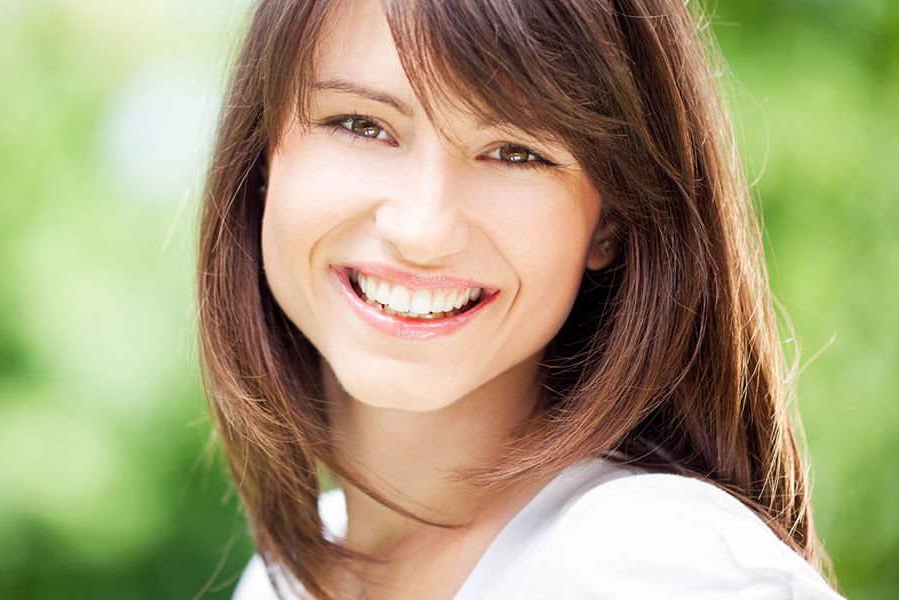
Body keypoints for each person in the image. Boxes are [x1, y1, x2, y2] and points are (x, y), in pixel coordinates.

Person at [196, 0, 843, 598]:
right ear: (260, 159)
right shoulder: (286, 579)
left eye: (515, 152)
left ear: (612, 220)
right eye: (361, 125)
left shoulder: (654, 567)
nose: (423, 231)